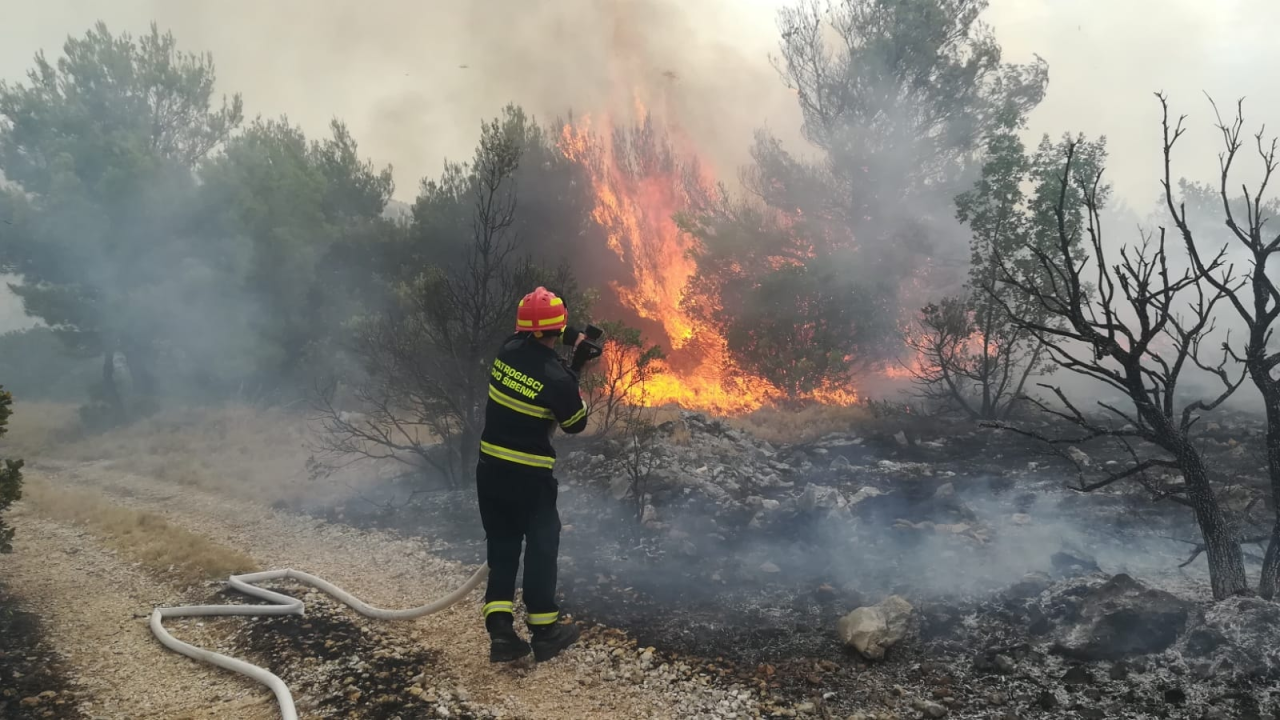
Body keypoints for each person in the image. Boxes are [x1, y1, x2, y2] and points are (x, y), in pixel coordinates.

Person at [477, 286, 593, 663]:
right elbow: (575, 422)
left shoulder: (507, 351)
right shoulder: (557, 378)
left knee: (503, 546)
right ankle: (545, 632)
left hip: (490, 472)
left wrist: (567, 350)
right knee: (542, 546)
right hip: (528, 479)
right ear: (557, 330)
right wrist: (578, 366)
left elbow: (535, 354)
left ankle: (500, 634)